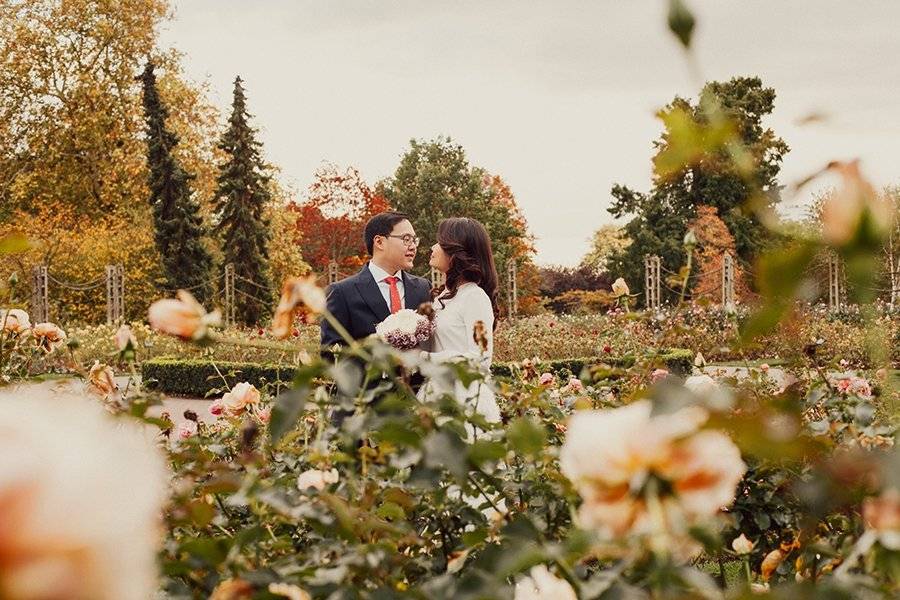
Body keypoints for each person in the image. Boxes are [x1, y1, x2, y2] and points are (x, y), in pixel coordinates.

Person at [420, 217, 501, 424]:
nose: (433, 246)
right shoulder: (440, 298)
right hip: (435, 394)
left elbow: (481, 358)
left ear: (456, 252)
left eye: (439, 242)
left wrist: (424, 357)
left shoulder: (474, 298)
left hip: (465, 400)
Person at [320, 211, 432, 349]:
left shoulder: (423, 288)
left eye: (415, 240)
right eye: (406, 239)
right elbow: (330, 353)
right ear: (379, 242)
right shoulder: (342, 293)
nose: (413, 246)